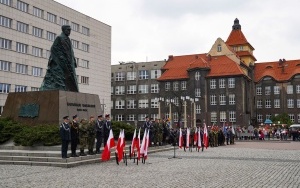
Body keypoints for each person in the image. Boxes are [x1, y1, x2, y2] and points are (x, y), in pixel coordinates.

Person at [40, 25, 79, 92]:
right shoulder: (59, 38)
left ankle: (72, 91)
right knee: (66, 77)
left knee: (71, 79)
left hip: (69, 62)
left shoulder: (68, 39)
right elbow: (53, 49)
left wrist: (74, 61)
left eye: (70, 30)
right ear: (63, 30)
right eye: (68, 30)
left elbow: (70, 51)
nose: (69, 32)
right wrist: (61, 57)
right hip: (61, 62)